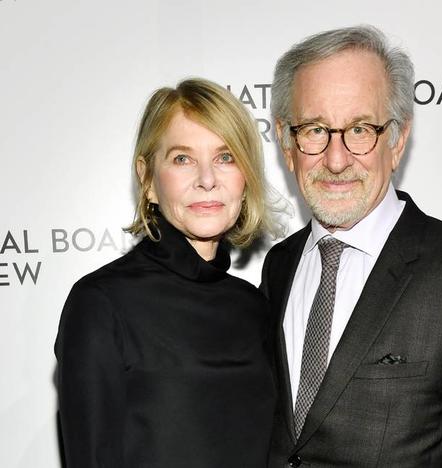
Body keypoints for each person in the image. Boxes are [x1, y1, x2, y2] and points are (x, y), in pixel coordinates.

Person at [261, 26, 442, 467]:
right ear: (287, 143)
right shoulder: (279, 266)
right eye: (314, 130)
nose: (336, 158)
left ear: (398, 139)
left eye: (360, 129)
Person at [55, 78, 279, 468]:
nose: (207, 179)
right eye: (182, 158)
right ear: (148, 181)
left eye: (226, 157)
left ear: (246, 178)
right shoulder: (101, 305)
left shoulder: (254, 306)